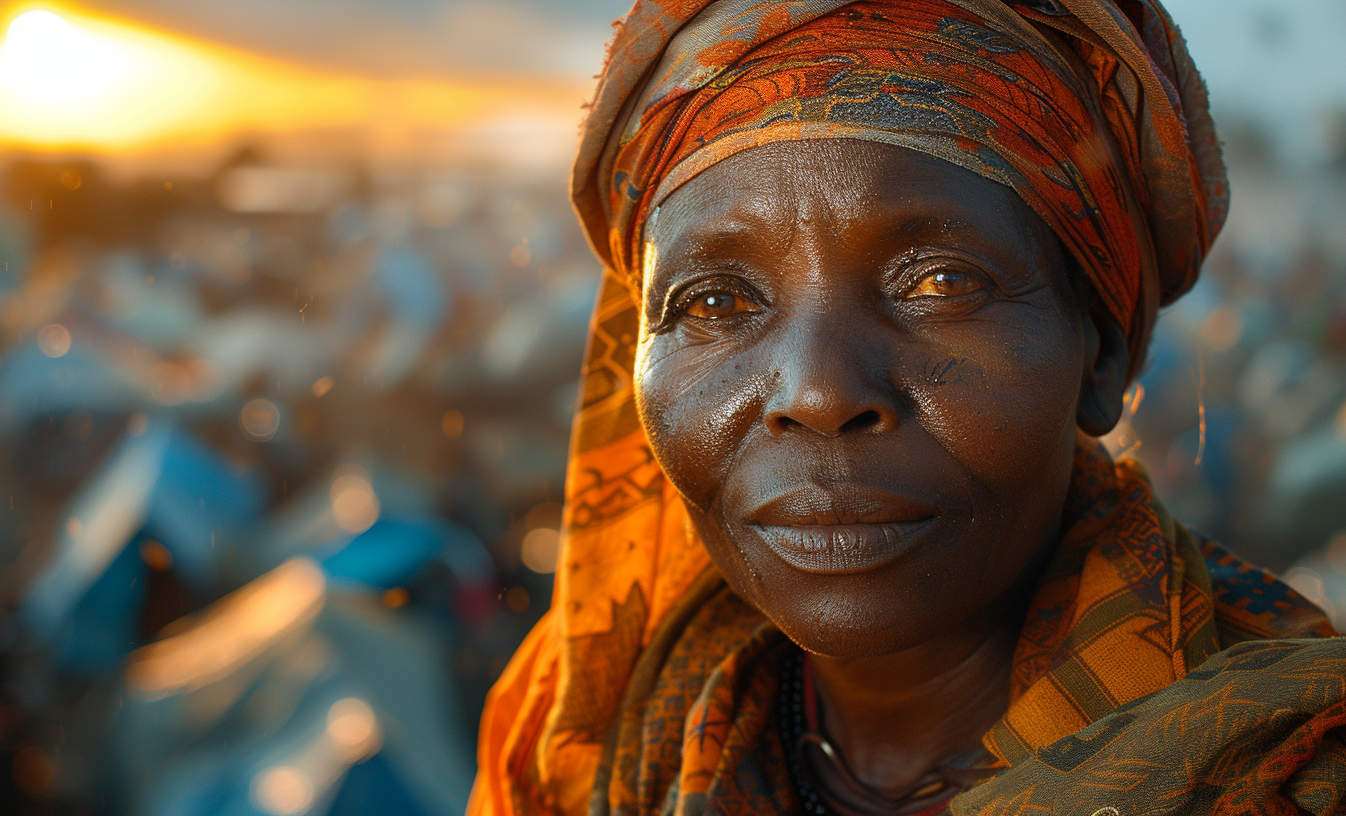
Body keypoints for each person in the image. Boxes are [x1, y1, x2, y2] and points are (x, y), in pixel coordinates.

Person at [470, 1, 1346, 814]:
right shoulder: (577, 731)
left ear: (1102, 355)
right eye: (712, 303)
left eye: (939, 282)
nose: (817, 393)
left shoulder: (1289, 766)